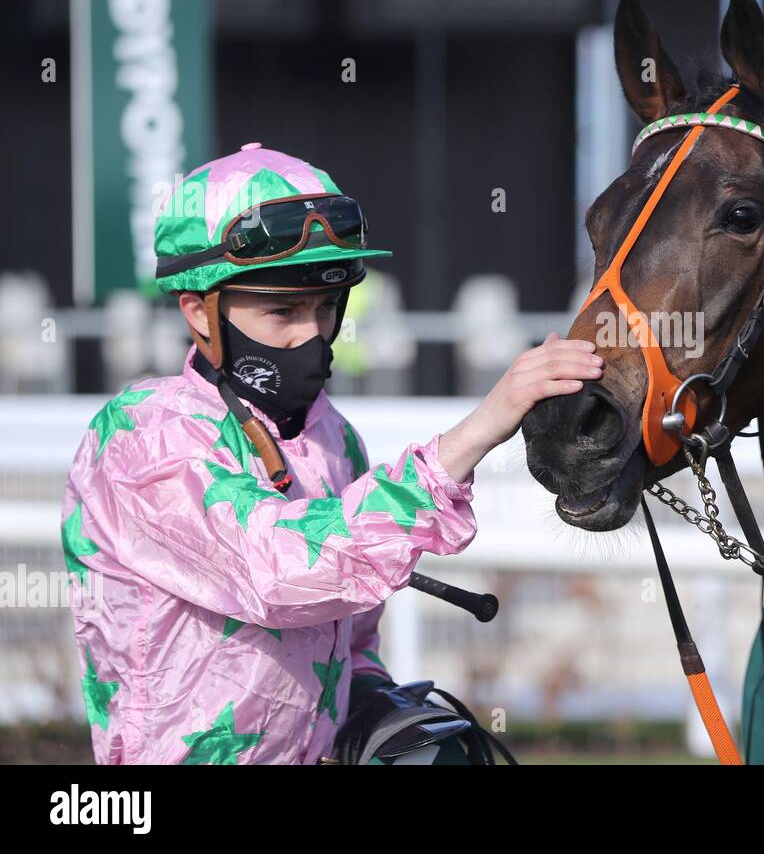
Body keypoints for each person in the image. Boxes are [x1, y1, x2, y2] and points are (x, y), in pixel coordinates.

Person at [62, 143, 604, 764]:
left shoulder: (334, 437)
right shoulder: (140, 435)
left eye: (326, 307)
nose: (312, 335)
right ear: (199, 313)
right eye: (282, 310)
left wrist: (381, 712)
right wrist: (474, 433)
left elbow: (351, 634)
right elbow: (277, 571)